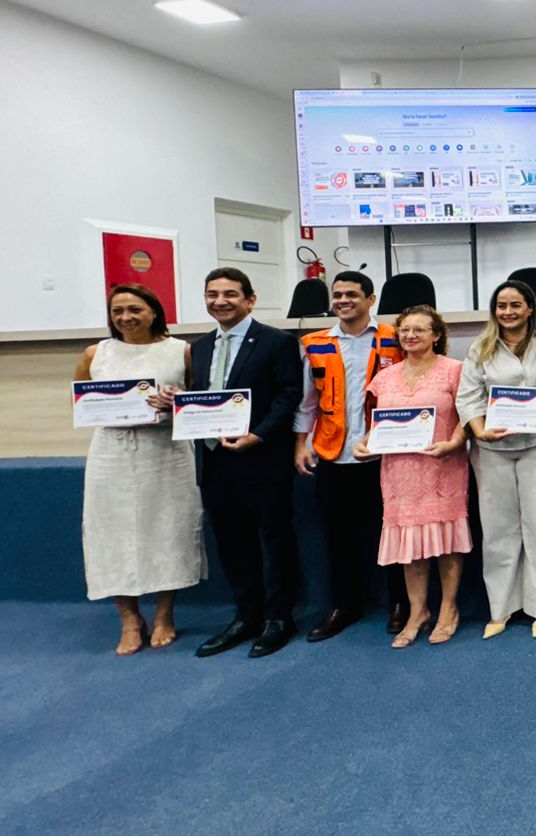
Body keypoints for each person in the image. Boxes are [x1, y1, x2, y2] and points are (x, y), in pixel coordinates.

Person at [75, 284, 205, 654]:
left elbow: (197, 401)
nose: (126, 318)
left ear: (154, 311)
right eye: (118, 311)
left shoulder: (181, 351)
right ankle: (129, 619)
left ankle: (165, 614)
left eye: (135, 309)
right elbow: (81, 397)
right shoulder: (95, 353)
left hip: (165, 451)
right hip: (111, 452)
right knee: (108, 531)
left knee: (169, 528)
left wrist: (176, 402)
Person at [186, 268, 304, 659]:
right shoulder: (200, 347)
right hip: (215, 461)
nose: (220, 301)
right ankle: (245, 616)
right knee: (231, 542)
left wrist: (259, 435)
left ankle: (278, 618)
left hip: (261, 459)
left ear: (250, 300)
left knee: (274, 540)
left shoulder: (278, 341)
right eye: (212, 294)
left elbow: (289, 396)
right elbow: (201, 400)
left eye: (230, 294)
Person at [293, 270, 407, 641]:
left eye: (352, 294)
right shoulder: (313, 342)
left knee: (392, 534)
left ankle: (400, 603)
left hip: (384, 455)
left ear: (370, 300)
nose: (343, 300)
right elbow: (307, 401)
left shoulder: (395, 338)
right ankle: (344, 605)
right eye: (337, 294)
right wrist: (300, 444)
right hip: (333, 454)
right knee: (338, 537)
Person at [457, 279, 536, 640]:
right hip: (492, 450)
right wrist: (479, 428)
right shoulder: (481, 347)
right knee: (499, 531)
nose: (508, 312)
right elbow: (468, 396)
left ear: (530, 308)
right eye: (501, 306)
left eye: (515, 305)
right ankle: (500, 609)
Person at [356, 305, 470, 648]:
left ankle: (449, 608)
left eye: (420, 329)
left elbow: (469, 416)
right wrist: (365, 443)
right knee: (411, 546)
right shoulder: (385, 377)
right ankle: (418, 611)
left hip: (442, 467)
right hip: (398, 472)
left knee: (447, 543)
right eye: (404, 330)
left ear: (437, 335)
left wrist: (454, 442)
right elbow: (376, 425)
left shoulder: (455, 371)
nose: (410, 335)